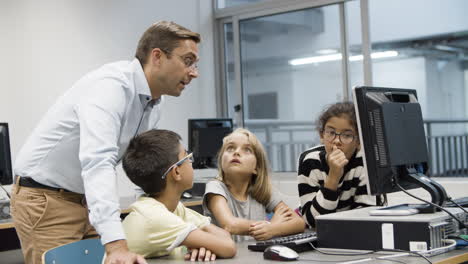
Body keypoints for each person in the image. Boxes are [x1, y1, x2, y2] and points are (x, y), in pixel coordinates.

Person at [11, 21, 200, 264]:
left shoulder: (154, 104)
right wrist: (116, 244)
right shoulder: (110, 88)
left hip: (85, 200)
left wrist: (187, 235)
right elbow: (99, 162)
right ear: (157, 57)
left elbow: (144, 167)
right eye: (188, 61)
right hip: (45, 198)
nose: (194, 72)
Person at [121, 129, 236, 261]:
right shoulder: (154, 217)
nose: (191, 162)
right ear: (176, 172)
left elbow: (224, 236)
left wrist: (203, 246)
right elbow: (228, 247)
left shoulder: (173, 208)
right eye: (187, 157)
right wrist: (205, 243)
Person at [203, 128, 305, 242]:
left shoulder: (262, 190)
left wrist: (273, 229)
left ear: (256, 168)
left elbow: (299, 223)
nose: (236, 152)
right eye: (230, 148)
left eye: (247, 150)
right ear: (221, 160)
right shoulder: (215, 187)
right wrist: (270, 224)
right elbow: (230, 225)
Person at [297, 102, 384, 228]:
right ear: (322, 135)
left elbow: (367, 217)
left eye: (347, 135)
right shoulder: (309, 161)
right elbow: (312, 221)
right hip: (320, 235)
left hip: (354, 233)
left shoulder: (365, 161)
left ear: (359, 141)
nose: (337, 141)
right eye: (331, 133)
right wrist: (333, 178)